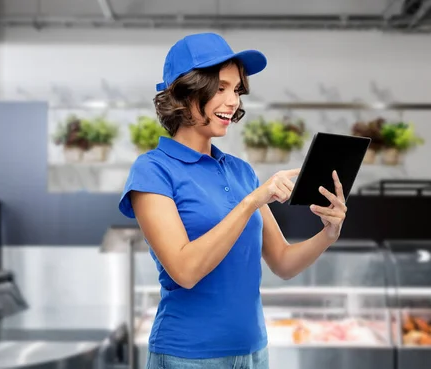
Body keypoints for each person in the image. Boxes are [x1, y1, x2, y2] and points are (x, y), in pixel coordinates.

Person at [119, 32, 347, 369]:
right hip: (188, 356)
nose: (233, 101)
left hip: (254, 351)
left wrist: (328, 233)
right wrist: (251, 202)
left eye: (237, 90)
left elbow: (283, 262)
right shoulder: (153, 171)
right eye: (221, 88)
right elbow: (184, 270)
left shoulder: (241, 172)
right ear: (186, 92)